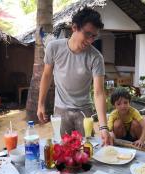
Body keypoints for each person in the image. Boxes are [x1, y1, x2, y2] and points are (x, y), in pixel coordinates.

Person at [37, 7, 112, 145]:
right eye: (87, 34)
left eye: (94, 36)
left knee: (86, 150)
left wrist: (104, 127)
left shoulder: (96, 57)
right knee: (62, 150)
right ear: (74, 27)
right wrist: (40, 104)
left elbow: (99, 92)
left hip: (84, 110)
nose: (90, 40)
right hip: (60, 109)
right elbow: (47, 76)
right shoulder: (54, 48)